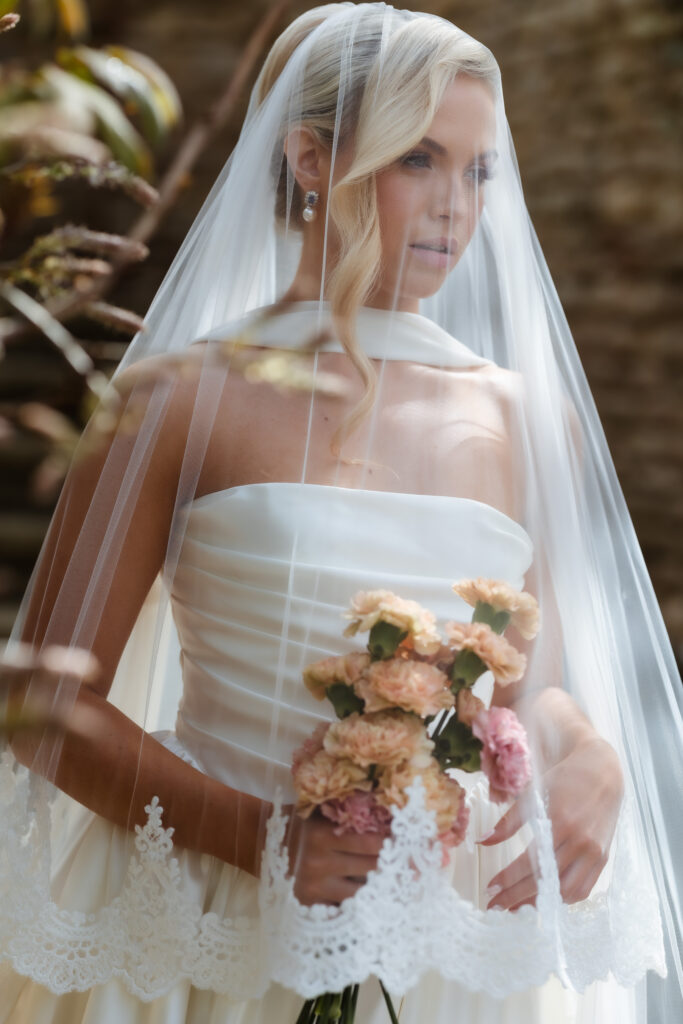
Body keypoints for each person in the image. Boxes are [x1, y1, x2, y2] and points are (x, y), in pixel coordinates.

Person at [0, 4, 680, 1022]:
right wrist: (259, 839)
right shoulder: (179, 399)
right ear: (310, 158)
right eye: (418, 161)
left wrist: (585, 750)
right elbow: (47, 705)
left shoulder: (517, 415)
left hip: (457, 939)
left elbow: (527, 680)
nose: (455, 207)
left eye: (477, 170)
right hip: (218, 924)